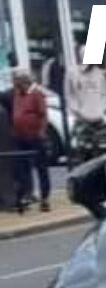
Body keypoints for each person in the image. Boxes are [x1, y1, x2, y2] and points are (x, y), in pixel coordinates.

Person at [10, 68, 49, 213]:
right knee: (22, 168)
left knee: (41, 168)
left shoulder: (36, 94)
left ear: (23, 81)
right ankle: (26, 196)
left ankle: (45, 198)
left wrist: (42, 132)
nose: (14, 84)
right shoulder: (17, 95)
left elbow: (43, 114)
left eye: (16, 82)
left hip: (35, 136)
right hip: (21, 137)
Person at [66, 42, 106, 163]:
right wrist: (77, 110)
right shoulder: (72, 73)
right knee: (82, 153)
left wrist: (101, 109)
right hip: (82, 118)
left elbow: (104, 93)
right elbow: (69, 95)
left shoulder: (99, 74)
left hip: (97, 118)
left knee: (98, 153)